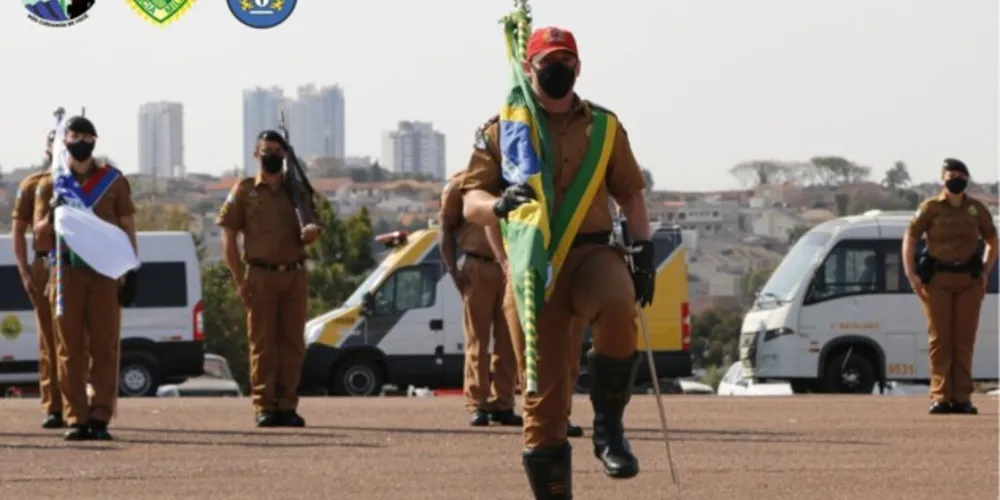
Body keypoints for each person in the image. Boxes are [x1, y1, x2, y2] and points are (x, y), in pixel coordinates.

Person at [460, 26, 656, 498]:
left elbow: (630, 195)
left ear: (579, 67)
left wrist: (645, 256)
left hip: (591, 251)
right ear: (528, 68)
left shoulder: (604, 128)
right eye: (547, 61)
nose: (557, 69)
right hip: (534, 265)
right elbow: (470, 200)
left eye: (566, 61)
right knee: (543, 402)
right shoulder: (504, 130)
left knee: (617, 305)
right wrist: (499, 204)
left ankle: (609, 427)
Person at [33, 116, 138, 441]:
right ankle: (76, 417)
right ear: (65, 141)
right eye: (74, 136)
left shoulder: (113, 181)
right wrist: (52, 214)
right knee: (69, 349)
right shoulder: (52, 184)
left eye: (87, 137)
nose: (81, 142)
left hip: (104, 273)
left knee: (105, 347)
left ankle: (100, 416)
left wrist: (132, 269)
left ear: (95, 141)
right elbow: (39, 240)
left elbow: (127, 228)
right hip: (66, 273)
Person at [217, 130, 322, 427]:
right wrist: (239, 280)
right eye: (267, 150)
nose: (272, 156)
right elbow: (228, 237)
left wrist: (311, 234)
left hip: (294, 275)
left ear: (285, 155)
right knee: (263, 343)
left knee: (292, 343)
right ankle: (264, 405)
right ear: (256, 153)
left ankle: (287, 404)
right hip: (260, 275)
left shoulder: (297, 190)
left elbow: (313, 227)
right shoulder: (244, 190)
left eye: (277, 151)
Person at [903, 158, 997, 415]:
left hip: (969, 281)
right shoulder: (930, 207)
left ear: (967, 179)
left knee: (964, 340)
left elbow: (992, 240)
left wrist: (986, 270)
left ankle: (963, 397)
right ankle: (941, 396)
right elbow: (910, 238)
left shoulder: (976, 209)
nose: (956, 179)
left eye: (960, 175)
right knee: (940, 339)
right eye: (951, 175)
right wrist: (911, 274)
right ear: (942, 178)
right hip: (938, 281)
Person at [439, 171, 522, 427]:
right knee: (478, 338)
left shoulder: (516, 177)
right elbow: (445, 228)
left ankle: (504, 402)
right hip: (477, 265)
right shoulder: (460, 185)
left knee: (509, 341)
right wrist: (452, 270)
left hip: (512, 266)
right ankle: (478, 402)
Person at [11, 131, 62, 429]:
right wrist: (24, 271)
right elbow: (18, 230)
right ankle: (54, 405)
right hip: (45, 264)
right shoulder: (33, 184)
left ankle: (82, 405)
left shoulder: (92, 183)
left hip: (81, 265)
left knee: (83, 341)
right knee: (49, 339)